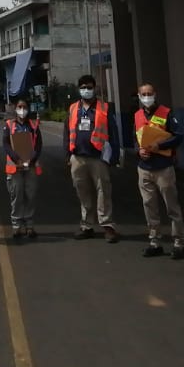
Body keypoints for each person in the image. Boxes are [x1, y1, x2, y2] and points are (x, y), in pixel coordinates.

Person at [64, 74, 120, 243]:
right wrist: (68, 154)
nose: (86, 90)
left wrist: (115, 156)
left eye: (89, 87)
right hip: (78, 157)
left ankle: (107, 226)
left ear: (94, 88)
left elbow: (113, 132)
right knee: (83, 192)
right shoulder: (74, 108)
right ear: (79, 89)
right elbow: (67, 132)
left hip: (98, 157)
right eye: (83, 87)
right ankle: (87, 225)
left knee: (104, 191)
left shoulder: (104, 107)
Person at [133, 82, 184, 259]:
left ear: (155, 94)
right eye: (143, 94)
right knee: (149, 207)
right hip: (144, 169)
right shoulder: (137, 115)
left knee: (172, 207)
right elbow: (136, 140)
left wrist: (160, 145)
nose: (147, 96)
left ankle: (179, 243)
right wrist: (139, 151)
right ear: (139, 96)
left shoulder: (166, 113)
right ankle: (154, 242)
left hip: (163, 168)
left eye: (149, 93)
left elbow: (179, 136)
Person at [2, 95, 42, 239]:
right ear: (15, 108)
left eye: (24, 107)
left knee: (30, 195)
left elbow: (38, 145)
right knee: (17, 195)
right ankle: (17, 226)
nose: (22, 110)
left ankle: (29, 225)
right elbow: (6, 144)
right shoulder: (9, 125)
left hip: (30, 165)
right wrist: (16, 158)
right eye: (19, 107)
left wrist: (32, 159)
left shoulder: (33, 126)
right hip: (15, 166)